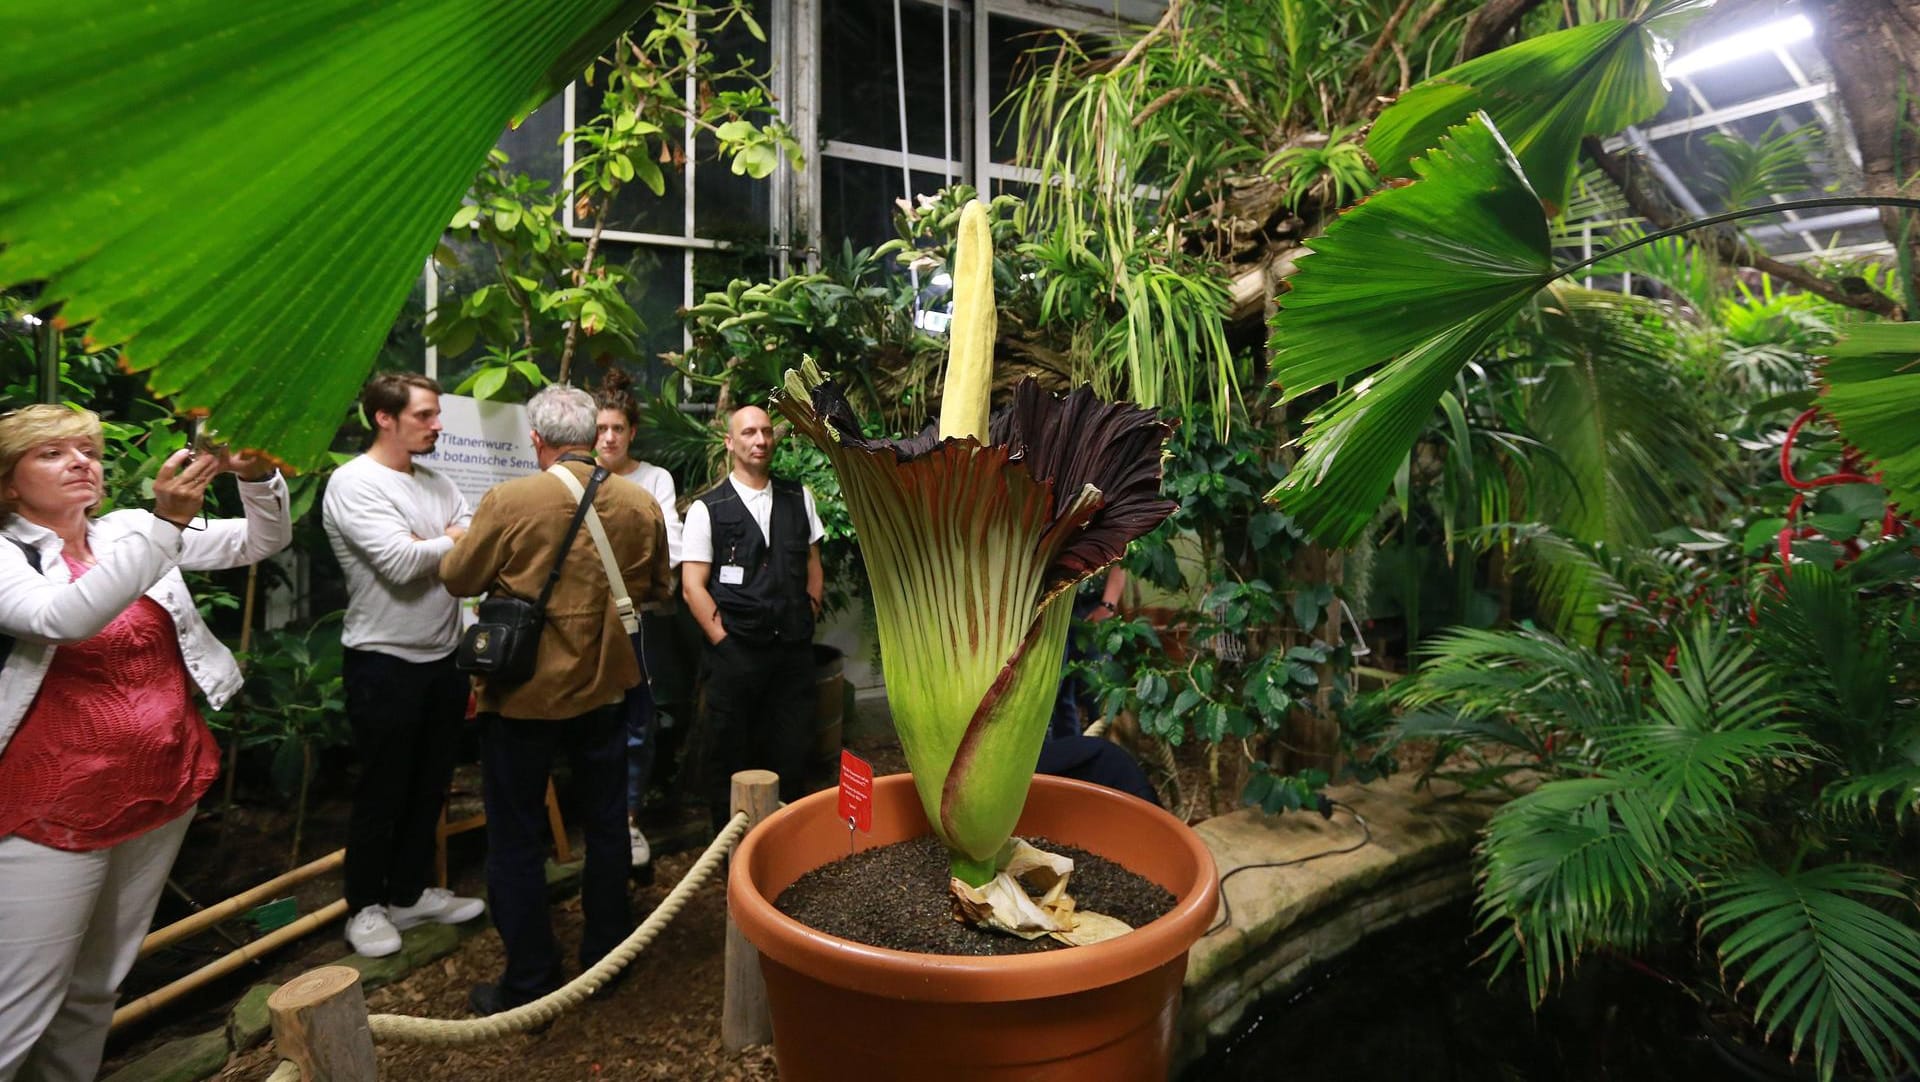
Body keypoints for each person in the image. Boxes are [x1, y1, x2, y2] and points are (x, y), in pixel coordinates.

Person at [0, 405, 291, 1082]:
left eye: (87, 449)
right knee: (18, 1006)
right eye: (51, 454)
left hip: (160, 786)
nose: (80, 461)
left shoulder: (127, 530)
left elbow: (259, 542)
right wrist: (166, 526)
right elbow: (60, 618)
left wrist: (254, 477)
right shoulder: (9, 553)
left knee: (97, 987)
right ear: (9, 483)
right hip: (53, 807)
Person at [441, 384, 670, 1016]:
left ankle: (531, 978)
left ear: (535, 440)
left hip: (522, 699)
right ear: (597, 434)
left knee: (515, 837)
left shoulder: (510, 500)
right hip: (604, 690)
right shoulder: (639, 502)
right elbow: (657, 587)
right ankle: (606, 956)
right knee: (606, 824)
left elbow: (458, 576)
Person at [321, 373, 485, 959]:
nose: (438, 425)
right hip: (382, 661)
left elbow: (470, 543)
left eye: (436, 414)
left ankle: (408, 893)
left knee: (431, 785)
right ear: (383, 418)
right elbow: (398, 562)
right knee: (383, 788)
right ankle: (364, 906)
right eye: (424, 415)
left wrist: (436, 540)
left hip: (444, 658)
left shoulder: (439, 483)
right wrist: (447, 539)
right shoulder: (353, 483)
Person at [681, 405, 825, 812]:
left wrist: (808, 612)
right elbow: (693, 587)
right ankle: (732, 857)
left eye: (765, 431)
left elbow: (813, 565)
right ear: (730, 443)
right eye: (748, 433)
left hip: (792, 654)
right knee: (730, 758)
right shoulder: (707, 509)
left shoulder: (799, 498)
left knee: (792, 754)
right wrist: (724, 643)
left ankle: (785, 855)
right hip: (735, 656)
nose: (760, 440)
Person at [592, 369, 684, 877]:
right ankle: (597, 820)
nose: (609, 437)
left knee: (637, 721)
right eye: (602, 428)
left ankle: (628, 818)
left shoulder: (654, 480)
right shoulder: (578, 476)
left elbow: (666, 547)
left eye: (618, 429)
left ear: (632, 432)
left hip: (638, 621)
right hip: (584, 620)